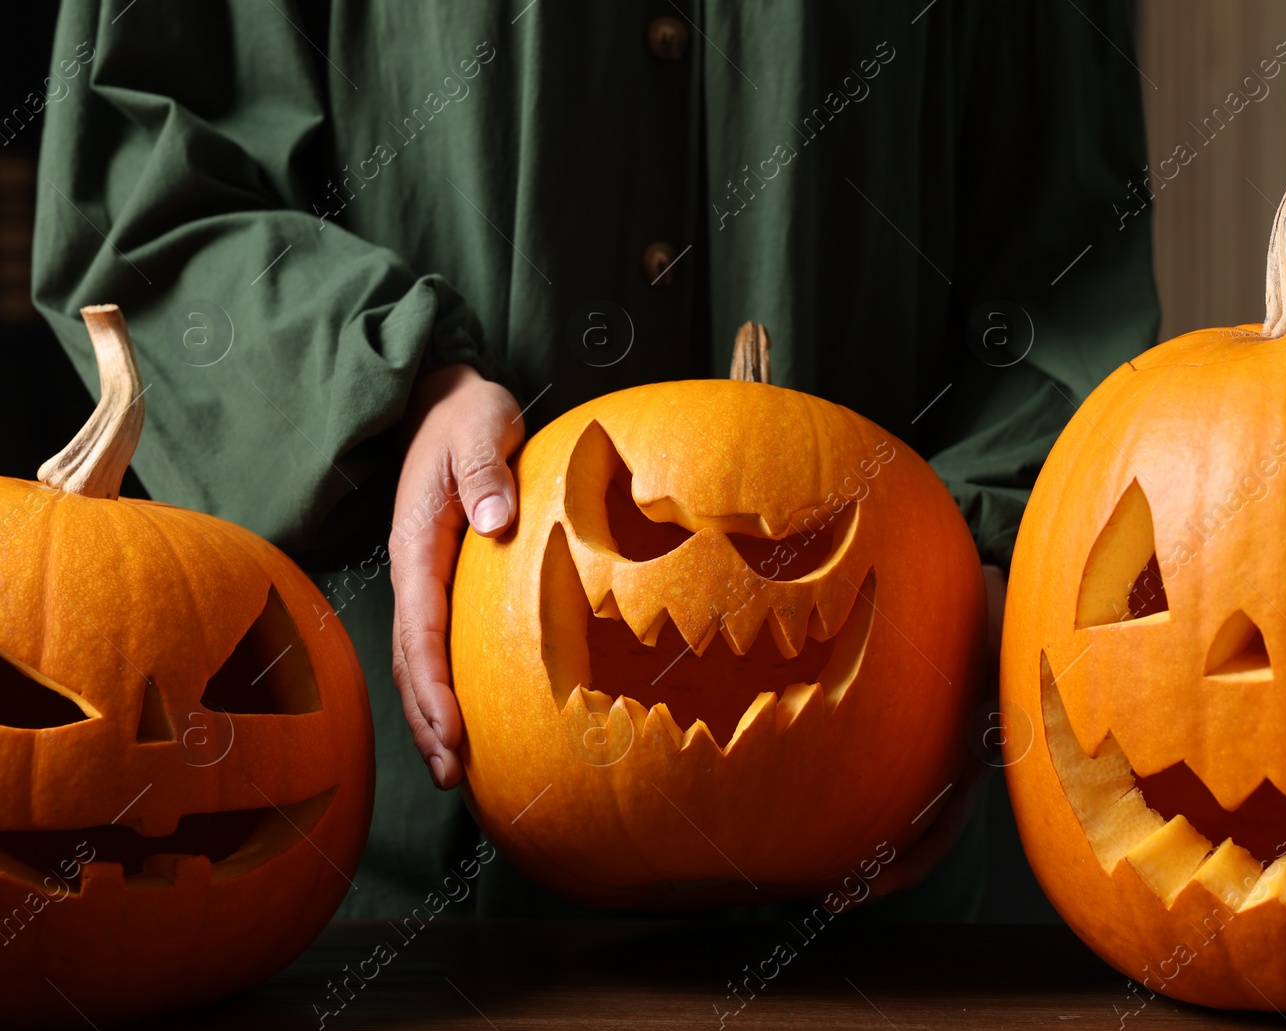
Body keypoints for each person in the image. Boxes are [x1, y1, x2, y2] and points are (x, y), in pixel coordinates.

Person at [33, 0, 1158, 919]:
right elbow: (140, 201)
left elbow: (1064, 259)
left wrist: (984, 567)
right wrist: (404, 380)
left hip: (902, 878)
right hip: (389, 878)